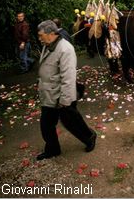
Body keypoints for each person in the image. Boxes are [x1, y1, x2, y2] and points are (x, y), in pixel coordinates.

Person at [36, 20, 97, 161]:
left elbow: (68, 77)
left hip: (61, 95)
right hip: (49, 93)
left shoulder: (65, 49)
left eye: (41, 35)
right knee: (46, 124)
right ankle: (52, 149)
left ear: (51, 34)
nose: (39, 38)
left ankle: (89, 137)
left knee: (71, 122)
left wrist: (65, 100)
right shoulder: (47, 44)